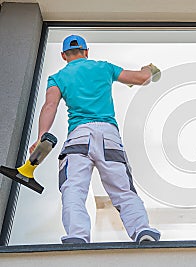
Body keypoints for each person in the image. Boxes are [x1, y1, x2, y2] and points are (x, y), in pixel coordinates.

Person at [29, 34, 161, 244]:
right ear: (86, 52)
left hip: (79, 137)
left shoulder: (58, 78)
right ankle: (142, 230)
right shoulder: (104, 68)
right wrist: (149, 69)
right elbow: (141, 79)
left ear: (64, 55)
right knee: (122, 189)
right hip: (108, 136)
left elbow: (50, 106)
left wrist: (41, 136)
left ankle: (77, 236)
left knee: (73, 188)